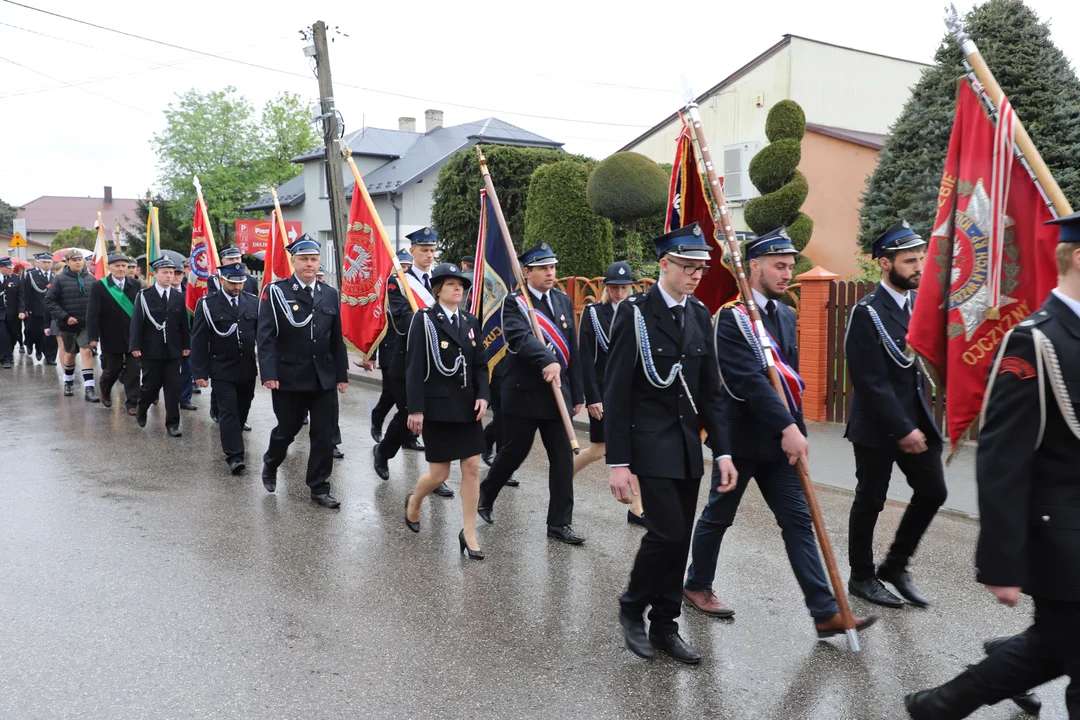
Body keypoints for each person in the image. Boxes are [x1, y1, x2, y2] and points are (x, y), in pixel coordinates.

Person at [904, 211, 1080, 718]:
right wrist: (1003, 562)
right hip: (1064, 541)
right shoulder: (1035, 342)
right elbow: (1002, 460)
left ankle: (940, 706)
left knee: (1049, 648)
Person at [682, 228, 878, 641]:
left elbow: (791, 386)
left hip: (779, 444)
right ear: (754, 266)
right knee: (719, 517)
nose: (788, 273)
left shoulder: (786, 315)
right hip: (737, 443)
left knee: (799, 523)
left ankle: (825, 612)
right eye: (779, 265)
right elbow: (746, 381)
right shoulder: (732, 317)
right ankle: (697, 584)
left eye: (791, 266)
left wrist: (798, 435)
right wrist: (789, 428)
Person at [605, 223, 733, 663]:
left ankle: (664, 626)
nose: (696, 274)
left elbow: (710, 390)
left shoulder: (699, 314)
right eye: (687, 266)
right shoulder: (635, 313)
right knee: (668, 532)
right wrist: (617, 462)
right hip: (647, 442)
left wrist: (724, 450)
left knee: (679, 542)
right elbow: (617, 390)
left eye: (701, 267)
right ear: (664, 264)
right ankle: (630, 607)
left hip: (685, 446)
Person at [845, 219, 947, 609]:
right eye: (909, 260)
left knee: (934, 491)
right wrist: (902, 428)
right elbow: (869, 380)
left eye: (920, 258)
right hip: (877, 426)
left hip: (915, 420)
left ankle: (895, 565)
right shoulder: (867, 312)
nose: (919, 267)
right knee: (870, 499)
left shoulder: (919, 307)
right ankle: (861, 576)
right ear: (885, 264)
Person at [477, 241, 586, 545]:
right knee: (513, 454)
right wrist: (546, 358)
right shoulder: (515, 303)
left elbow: (571, 351)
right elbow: (519, 337)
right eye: (543, 268)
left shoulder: (563, 301)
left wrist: (577, 393)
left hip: (556, 399)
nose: (550, 273)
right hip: (524, 396)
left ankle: (559, 523)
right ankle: (487, 493)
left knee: (563, 461)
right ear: (527, 272)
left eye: (552, 267)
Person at [403, 263, 490, 559]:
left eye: (461, 284)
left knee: (472, 468)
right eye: (451, 283)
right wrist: (415, 409)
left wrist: (484, 396)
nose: (458, 288)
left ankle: (469, 532)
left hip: (468, 408)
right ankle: (414, 501)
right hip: (437, 408)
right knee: (439, 474)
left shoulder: (469, 321)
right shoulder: (424, 320)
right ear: (438, 288)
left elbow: (480, 364)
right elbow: (414, 367)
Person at [257, 234, 349, 509]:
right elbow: (266, 337)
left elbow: (336, 338)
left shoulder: (329, 293)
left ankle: (319, 486)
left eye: (314, 259)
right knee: (287, 430)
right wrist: (269, 373)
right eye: (304, 259)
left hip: (323, 377)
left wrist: (341, 374)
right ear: (293, 261)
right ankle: (271, 460)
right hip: (288, 376)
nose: (310, 264)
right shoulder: (277, 292)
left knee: (323, 434)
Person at [375, 228, 446, 491]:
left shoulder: (441, 280)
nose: (429, 255)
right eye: (424, 250)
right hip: (408, 360)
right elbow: (401, 319)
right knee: (408, 414)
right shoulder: (399, 281)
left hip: (437, 360)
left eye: (432, 250)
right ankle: (383, 453)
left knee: (434, 416)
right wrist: (430, 323)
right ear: (413, 251)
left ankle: (437, 476)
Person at [576, 261, 643, 525]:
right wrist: (592, 397)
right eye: (615, 288)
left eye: (625, 288)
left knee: (635, 450)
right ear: (607, 288)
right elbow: (585, 358)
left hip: (631, 393)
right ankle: (561, 479)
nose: (620, 293)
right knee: (597, 450)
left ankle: (637, 509)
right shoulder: (594, 313)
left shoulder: (638, 311)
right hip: (603, 392)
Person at [191, 263, 259, 474]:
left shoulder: (253, 302)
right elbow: (199, 340)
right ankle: (235, 455)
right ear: (221, 280)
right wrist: (199, 372)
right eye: (232, 282)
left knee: (242, 409)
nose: (237, 287)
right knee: (228, 411)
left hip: (247, 368)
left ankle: (234, 438)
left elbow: (264, 338)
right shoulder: (208, 304)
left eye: (240, 282)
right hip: (221, 367)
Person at [130, 257, 190, 437]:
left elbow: (183, 324)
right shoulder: (144, 295)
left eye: (172, 273)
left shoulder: (178, 296)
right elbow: (137, 323)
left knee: (173, 387)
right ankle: (142, 406)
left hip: (173, 350)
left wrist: (186, 345)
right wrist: (135, 345)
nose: (169, 276)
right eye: (164, 272)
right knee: (150, 385)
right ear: (155, 274)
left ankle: (172, 424)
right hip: (151, 349)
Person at [87, 253, 141, 413]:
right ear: (109, 267)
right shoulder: (100, 286)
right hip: (111, 333)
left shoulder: (135, 284)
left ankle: (132, 403)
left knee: (134, 370)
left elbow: (139, 310)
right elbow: (93, 313)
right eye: (117, 266)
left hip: (132, 335)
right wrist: (92, 337)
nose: (121, 269)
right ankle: (105, 389)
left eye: (124, 266)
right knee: (113, 369)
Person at [371, 250, 414, 443]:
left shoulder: (417, 291)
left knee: (408, 394)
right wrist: (371, 355)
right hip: (390, 349)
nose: (404, 271)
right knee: (392, 392)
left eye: (407, 267)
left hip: (411, 349)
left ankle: (410, 437)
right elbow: (374, 326)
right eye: (401, 267)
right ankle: (377, 418)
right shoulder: (387, 292)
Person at [44, 250, 97, 401]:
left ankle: (89, 389)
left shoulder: (91, 279)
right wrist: (65, 317)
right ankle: (68, 382)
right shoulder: (59, 280)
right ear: (67, 262)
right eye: (74, 260)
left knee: (86, 352)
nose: (78, 262)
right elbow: (49, 301)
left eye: (80, 259)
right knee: (70, 353)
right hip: (67, 325)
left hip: (86, 324)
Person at [169, 265, 198, 410]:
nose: (176, 276)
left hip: (188, 337)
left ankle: (185, 398)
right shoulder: (163, 293)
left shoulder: (189, 293)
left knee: (187, 369)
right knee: (170, 371)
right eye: (174, 273)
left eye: (179, 273)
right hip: (169, 338)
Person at [22, 253, 57, 365]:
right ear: (39, 263)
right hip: (37, 310)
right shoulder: (32, 275)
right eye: (44, 262)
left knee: (52, 335)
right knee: (37, 332)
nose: (47, 265)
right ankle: (37, 348)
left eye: (49, 262)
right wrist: (26, 308)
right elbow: (26, 293)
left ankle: (50, 356)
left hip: (52, 310)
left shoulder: (56, 276)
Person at [0, 257, 26, 368]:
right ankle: (7, 358)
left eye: (11, 267)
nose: (11, 270)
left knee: (14, 335)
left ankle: (7, 353)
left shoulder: (16, 278)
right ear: (1, 268)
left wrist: (21, 310)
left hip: (13, 313)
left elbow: (21, 296)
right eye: (8, 268)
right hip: (0, 313)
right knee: (3, 335)